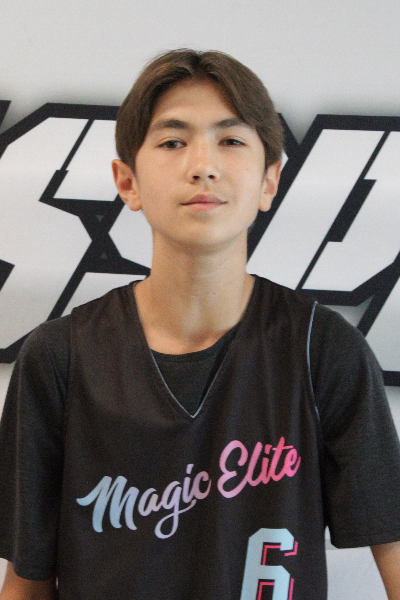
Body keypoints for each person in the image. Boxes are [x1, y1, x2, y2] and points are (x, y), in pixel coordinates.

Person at [0, 48, 400, 600]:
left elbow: (393, 551)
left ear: (270, 180)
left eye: (231, 140)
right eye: (172, 141)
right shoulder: (59, 357)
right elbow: (27, 580)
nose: (203, 165)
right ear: (127, 181)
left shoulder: (323, 349)